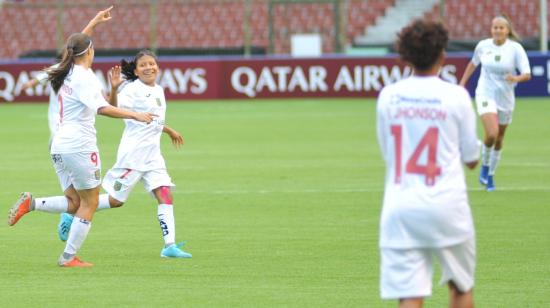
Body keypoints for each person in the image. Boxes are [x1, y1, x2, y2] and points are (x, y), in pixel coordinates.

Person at [8, 13, 156, 267]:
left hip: (59, 145)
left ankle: (31, 203)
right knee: (90, 202)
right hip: (80, 146)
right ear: (90, 52)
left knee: (74, 202)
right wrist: (136, 114)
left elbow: (75, 46)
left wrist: (94, 23)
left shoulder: (65, 68)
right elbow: (104, 109)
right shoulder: (84, 77)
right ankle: (68, 257)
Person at [376, 19, 480, 307]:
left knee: (409, 296)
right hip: (448, 206)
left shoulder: (388, 96)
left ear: (405, 56)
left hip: (401, 207)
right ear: (442, 56)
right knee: (460, 287)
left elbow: (389, 153)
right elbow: (472, 159)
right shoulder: (456, 96)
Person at [57, 50, 192, 258]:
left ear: (158, 66)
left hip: (153, 156)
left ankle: (169, 246)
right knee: (115, 201)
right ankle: (73, 212)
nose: (149, 67)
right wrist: (113, 88)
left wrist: (168, 130)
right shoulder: (132, 90)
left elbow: (152, 118)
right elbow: (112, 107)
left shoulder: (159, 90)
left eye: (152, 64)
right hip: (133, 156)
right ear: (136, 71)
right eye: (143, 65)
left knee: (165, 194)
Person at [459, 14, 531, 191]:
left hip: (505, 98)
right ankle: (484, 166)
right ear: (491, 30)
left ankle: (490, 174)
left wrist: (515, 78)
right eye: (495, 27)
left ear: (507, 31)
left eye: (501, 28)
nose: (498, 30)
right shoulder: (483, 46)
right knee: (491, 133)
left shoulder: (515, 49)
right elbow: (473, 64)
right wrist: (462, 83)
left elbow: (527, 74)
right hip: (485, 93)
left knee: (499, 139)